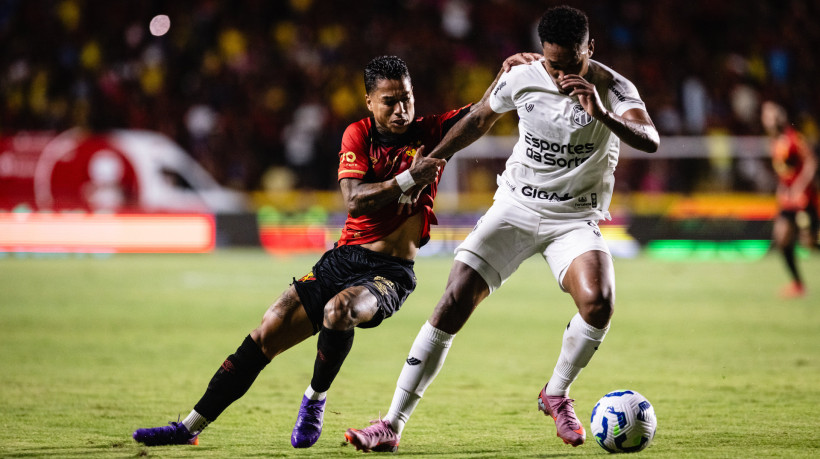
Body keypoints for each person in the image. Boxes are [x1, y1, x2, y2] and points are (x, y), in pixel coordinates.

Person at [131, 54, 537, 449]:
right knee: (265, 332)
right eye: (390, 101)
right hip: (343, 258)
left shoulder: (431, 132)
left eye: (407, 98)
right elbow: (355, 200)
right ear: (369, 102)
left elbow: (483, 113)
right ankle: (189, 427)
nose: (401, 109)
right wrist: (408, 178)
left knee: (339, 312)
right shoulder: (357, 134)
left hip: (390, 271)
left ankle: (314, 399)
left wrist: (503, 74)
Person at [345, 5, 659, 452]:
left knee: (600, 303)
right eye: (552, 63)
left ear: (591, 49)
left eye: (571, 64)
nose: (559, 74)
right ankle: (391, 424)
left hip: (573, 218)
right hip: (515, 207)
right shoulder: (525, 75)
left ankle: (555, 393)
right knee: (453, 301)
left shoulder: (614, 88)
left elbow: (650, 139)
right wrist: (431, 161)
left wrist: (601, 112)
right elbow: (476, 119)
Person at [760, 101, 819, 298]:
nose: (765, 119)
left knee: (810, 243)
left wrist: (799, 187)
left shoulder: (793, 139)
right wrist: (782, 189)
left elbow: (811, 162)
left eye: (768, 115)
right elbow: (785, 173)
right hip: (789, 200)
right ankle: (798, 284)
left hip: (804, 198)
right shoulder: (775, 142)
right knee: (782, 237)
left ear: (778, 118)